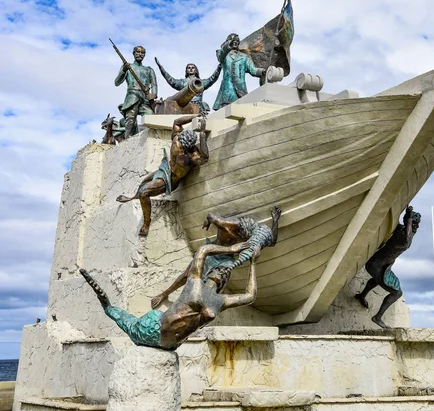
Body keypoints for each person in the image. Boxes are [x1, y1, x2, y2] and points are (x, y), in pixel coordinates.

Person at [79, 240, 256, 350]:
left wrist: (253, 263)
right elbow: (203, 250)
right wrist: (231, 249)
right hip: (153, 328)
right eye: (218, 270)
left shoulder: (220, 301)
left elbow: (250, 295)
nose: (222, 273)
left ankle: (109, 307)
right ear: (208, 273)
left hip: (171, 344)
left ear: (224, 283)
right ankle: (106, 304)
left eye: (225, 274)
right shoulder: (194, 282)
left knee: (125, 320)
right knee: (121, 317)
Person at [150, 206, 282, 309]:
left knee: (218, 282)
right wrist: (209, 221)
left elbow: (272, 242)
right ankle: (164, 294)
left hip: (226, 259)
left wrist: (275, 222)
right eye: (243, 236)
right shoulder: (230, 224)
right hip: (213, 250)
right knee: (187, 274)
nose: (243, 239)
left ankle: (205, 308)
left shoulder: (254, 236)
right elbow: (211, 216)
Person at [116, 114, 209, 237]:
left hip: (170, 180)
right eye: (180, 144)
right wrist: (196, 116)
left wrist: (202, 133)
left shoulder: (192, 157)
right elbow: (177, 122)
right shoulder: (176, 140)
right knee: (143, 183)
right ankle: (133, 197)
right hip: (165, 168)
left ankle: (147, 223)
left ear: (189, 148)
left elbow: (205, 157)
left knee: (144, 192)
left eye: (183, 148)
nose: (179, 148)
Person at [355, 206, 421, 328]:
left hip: (379, 264)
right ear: (409, 223)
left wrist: (407, 216)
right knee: (397, 293)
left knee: (378, 280)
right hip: (377, 265)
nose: (416, 226)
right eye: (414, 223)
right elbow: (406, 236)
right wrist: (409, 217)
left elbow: (395, 222)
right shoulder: (406, 237)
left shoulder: (400, 229)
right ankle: (378, 317)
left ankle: (361, 295)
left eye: (417, 224)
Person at [213, 33, 265, 110]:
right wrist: (228, 46)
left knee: (242, 112)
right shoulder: (223, 54)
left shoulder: (245, 56)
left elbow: (253, 70)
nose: (235, 42)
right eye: (233, 40)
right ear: (228, 41)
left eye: (237, 40)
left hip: (241, 90)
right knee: (225, 113)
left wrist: (263, 71)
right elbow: (220, 57)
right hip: (227, 91)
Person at [114, 45, 157, 139]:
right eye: (138, 52)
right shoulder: (128, 67)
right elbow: (117, 82)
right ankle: (127, 140)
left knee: (150, 116)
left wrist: (153, 94)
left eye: (142, 53)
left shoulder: (149, 70)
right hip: (132, 96)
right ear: (133, 53)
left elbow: (154, 84)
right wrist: (124, 71)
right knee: (130, 120)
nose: (140, 54)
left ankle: (151, 137)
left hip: (145, 98)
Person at [154, 58, 222, 114]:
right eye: (189, 68)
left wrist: (219, 68)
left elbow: (212, 79)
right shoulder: (183, 82)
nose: (191, 69)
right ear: (186, 71)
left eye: (193, 67)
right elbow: (171, 81)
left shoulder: (201, 82)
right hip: (186, 106)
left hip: (199, 107)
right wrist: (161, 68)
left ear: (195, 70)